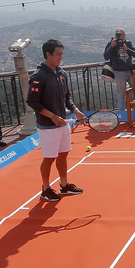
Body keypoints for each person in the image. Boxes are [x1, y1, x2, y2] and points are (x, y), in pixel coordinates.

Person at [26, 39, 85, 202]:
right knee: (49, 158)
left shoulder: (62, 73)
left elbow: (67, 97)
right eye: (58, 54)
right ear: (48, 54)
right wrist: (51, 116)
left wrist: (75, 110)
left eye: (62, 54)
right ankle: (45, 188)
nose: (61, 57)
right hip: (47, 126)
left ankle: (64, 185)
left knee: (63, 155)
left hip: (63, 122)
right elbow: (32, 101)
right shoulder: (39, 76)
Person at [103, 28, 135, 111]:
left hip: (130, 71)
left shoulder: (128, 43)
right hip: (119, 73)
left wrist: (127, 49)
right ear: (116, 36)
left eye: (124, 35)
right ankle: (122, 112)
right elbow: (106, 57)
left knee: (134, 92)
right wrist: (112, 47)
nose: (123, 37)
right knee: (121, 94)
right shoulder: (111, 44)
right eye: (121, 35)